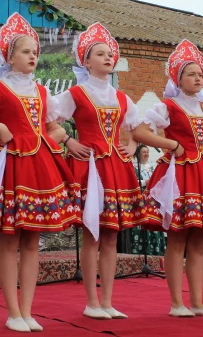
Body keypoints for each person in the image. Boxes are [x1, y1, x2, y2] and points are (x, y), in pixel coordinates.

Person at [0, 12, 82, 333]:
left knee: (32, 241)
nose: (32, 57)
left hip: (38, 168)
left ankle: (27, 311)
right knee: (10, 240)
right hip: (10, 168)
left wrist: (53, 139)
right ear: (9, 56)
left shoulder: (42, 93)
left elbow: (54, 127)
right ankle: (12, 311)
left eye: (35, 52)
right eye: (26, 52)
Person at [133, 39, 203, 318]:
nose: (197, 78)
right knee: (177, 238)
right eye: (191, 74)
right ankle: (176, 303)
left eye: (200, 74)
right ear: (178, 79)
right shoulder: (168, 106)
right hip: (179, 175)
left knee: (197, 239)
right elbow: (140, 133)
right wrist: (171, 146)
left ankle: (198, 303)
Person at [56, 22, 146, 320]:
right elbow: (48, 120)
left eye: (110, 54)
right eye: (100, 54)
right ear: (86, 61)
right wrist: (69, 141)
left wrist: (132, 146)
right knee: (92, 234)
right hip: (89, 167)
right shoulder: (77, 93)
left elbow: (139, 126)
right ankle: (91, 302)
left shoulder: (121, 97)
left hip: (115, 169)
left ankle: (107, 301)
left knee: (111, 236)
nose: (108, 58)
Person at [130, 145, 166, 256]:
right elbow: (132, 184)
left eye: (147, 152)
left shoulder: (151, 167)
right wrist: (146, 182)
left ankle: (156, 254)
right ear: (138, 154)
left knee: (153, 224)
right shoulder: (134, 167)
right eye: (143, 152)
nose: (146, 154)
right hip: (139, 202)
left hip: (151, 202)